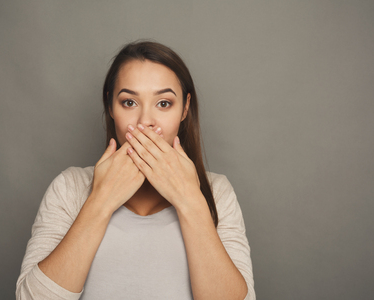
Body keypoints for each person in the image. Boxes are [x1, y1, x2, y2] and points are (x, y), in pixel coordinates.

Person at [16, 41, 255, 300]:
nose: (145, 122)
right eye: (129, 102)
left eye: (163, 103)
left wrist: (189, 201)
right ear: (110, 106)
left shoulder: (217, 192)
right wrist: (101, 200)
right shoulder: (70, 187)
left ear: (185, 109)